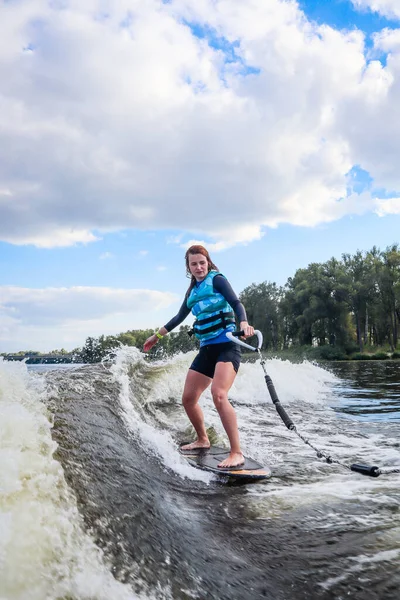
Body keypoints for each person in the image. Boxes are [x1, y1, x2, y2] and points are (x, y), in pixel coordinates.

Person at [143, 245, 254, 468]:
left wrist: (243, 321)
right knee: (188, 398)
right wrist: (156, 336)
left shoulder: (218, 280)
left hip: (227, 346)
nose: (199, 267)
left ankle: (236, 452)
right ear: (189, 267)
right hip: (207, 349)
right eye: (194, 264)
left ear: (208, 262)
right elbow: (178, 317)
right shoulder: (192, 292)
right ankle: (203, 439)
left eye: (202, 263)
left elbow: (236, 303)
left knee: (218, 394)